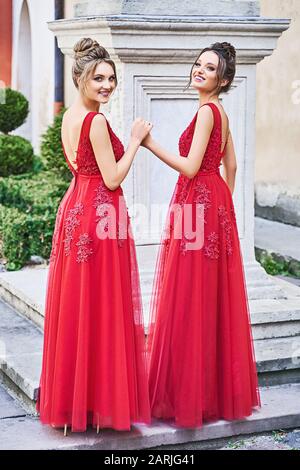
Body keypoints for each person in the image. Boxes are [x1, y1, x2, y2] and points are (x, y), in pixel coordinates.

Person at [36, 38, 152, 435]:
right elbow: (113, 176)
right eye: (98, 78)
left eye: (110, 78)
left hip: (76, 208)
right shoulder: (96, 120)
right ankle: (98, 404)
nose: (106, 85)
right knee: (100, 306)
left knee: (79, 307)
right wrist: (135, 141)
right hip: (99, 215)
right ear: (80, 79)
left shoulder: (71, 116)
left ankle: (77, 404)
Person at [144, 42, 261, 428]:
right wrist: (221, 207)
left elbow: (191, 167)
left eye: (208, 68)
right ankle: (209, 393)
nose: (199, 70)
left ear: (222, 79)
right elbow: (232, 165)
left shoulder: (209, 111)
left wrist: (148, 143)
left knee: (189, 296)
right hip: (210, 205)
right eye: (198, 64)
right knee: (205, 297)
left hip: (197, 203)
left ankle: (190, 397)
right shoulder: (218, 112)